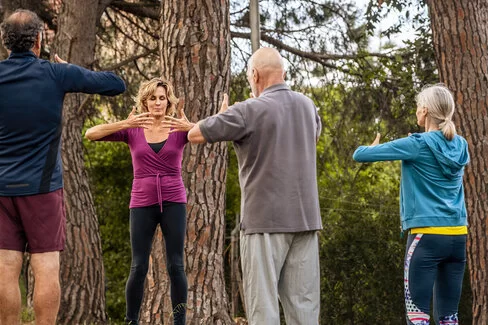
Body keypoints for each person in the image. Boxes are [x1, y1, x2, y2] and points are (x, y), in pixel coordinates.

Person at [164, 47, 323, 325]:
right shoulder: (307, 106)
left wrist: (221, 117)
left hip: (264, 223)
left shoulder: (249, 110)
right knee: (305, 309)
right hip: (306, 221)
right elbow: (313, 135)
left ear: (254, 74)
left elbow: (195, 133)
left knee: (263, 310)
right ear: (283, 73)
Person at [0, 9, 126, 325]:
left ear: (6, 44)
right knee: (46, 267)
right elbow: (116, 84)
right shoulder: (56, 74)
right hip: (43, 191)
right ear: (38, 41)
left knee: (4, 268)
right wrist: (68, 69)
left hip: (1, 190)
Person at [353, 84, 469, 325]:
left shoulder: (416, 144)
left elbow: (360, 155)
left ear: (425, 110)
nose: (416, 111)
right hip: (458, 236)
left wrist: (372, 147)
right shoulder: (461, 145)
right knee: (449, 317)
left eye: (418, 106)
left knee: (417, 317)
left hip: (425, 238)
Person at [85, 77, 193, 325]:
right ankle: (131, 321)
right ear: (145, 102)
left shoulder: (178, 128)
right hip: (142, 202)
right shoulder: (132, 130)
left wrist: (191, 126)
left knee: (176, 265)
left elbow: (210, 132)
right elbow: (91, 134)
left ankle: (180, 322)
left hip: (174, 201)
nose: (157, 102)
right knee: (138, 266)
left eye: (162, 98)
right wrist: (125, 122)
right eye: (152, 98)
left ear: (169, 101)